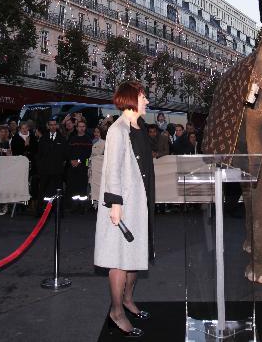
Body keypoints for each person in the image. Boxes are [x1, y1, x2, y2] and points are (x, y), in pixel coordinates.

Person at [95, 81, 155, 337]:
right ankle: (116, 311)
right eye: (143, 97)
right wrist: (116, 205)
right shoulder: (117, 130)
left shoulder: (139, 127)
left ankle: (128, 300)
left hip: (140, 201)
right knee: (119, 260)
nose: (147, 101)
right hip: (123, 204)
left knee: (135, 257)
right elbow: (112, 170)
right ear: (131, 99)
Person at [67, 119, 93, 212]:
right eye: (80, 127)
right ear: (76, 128)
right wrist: (71, 160)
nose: (81, 128)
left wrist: (78, 160)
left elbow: (87, 153)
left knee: (82, 186)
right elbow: (68, 151)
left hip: (83, 166)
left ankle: (82, 206)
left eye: (83, 126)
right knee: (74, 186)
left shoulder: (88, 139)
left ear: (85, 128)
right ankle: (74, 205)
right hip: (73, 166)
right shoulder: (72, 138)